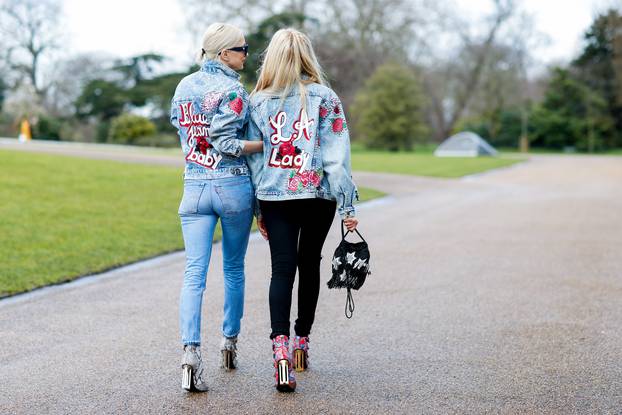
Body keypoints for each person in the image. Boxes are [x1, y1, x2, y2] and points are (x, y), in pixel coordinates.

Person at [246, 28, 359, 392]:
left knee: (282, 270)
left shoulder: (258, 101)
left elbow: (256, 161)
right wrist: (348, 204)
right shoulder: (325, 98)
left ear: (273, 57)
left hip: (274, 195)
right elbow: (336, 157)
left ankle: (279, 351)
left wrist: (258, 207)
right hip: (318, 195)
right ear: (308, 56)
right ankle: (301, 344)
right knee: (309, 262)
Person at [170, 22, 262, 392]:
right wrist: (265, 145)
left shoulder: (183, 87)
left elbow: (183, 130)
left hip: (193, 186)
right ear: (223, 54)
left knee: (194, 274)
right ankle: (229, 344)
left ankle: (190, 355)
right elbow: (226, 141)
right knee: (234, 269)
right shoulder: (233, 91)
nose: (246, 54)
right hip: (231, 185)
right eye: (241, 49)